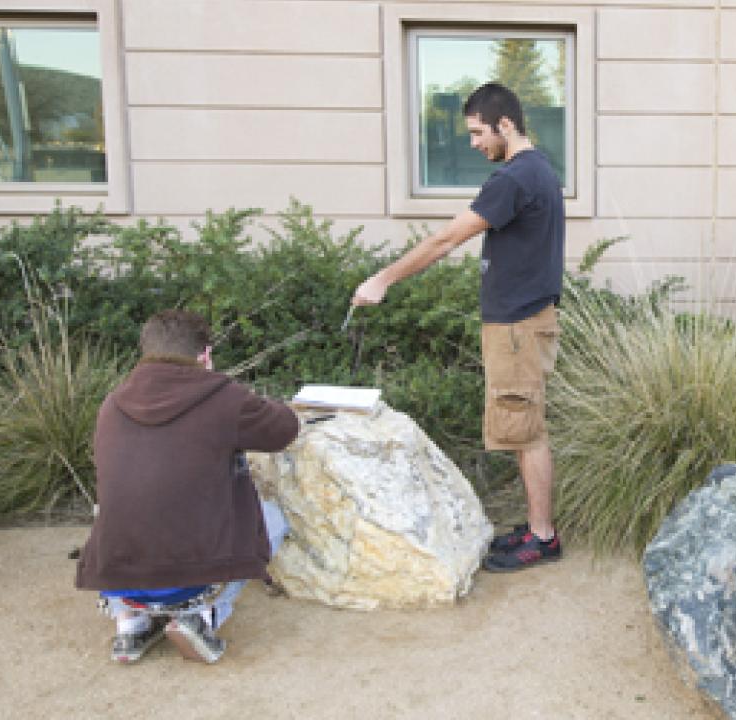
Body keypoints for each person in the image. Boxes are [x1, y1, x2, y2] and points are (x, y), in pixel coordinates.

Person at [352, 82, 565, 573]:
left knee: (525, 428)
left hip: (518, 327)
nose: (473, 143)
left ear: (505, 125)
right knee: (520, 422)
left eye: (477, 132)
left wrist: (382, 280)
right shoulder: (538, 171)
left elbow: (444, 240)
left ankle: (543, 537)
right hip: (523, 322)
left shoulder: (514, 178)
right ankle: (537, 527)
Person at [75, 309, 299, 664]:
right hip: (192, 575)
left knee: (116, 516)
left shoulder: (112, 403)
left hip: (117, 571)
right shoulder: (225, 398)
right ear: (205, 355)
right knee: (273, 517)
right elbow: (284, 429)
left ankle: (130, 624)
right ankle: (205, 614)